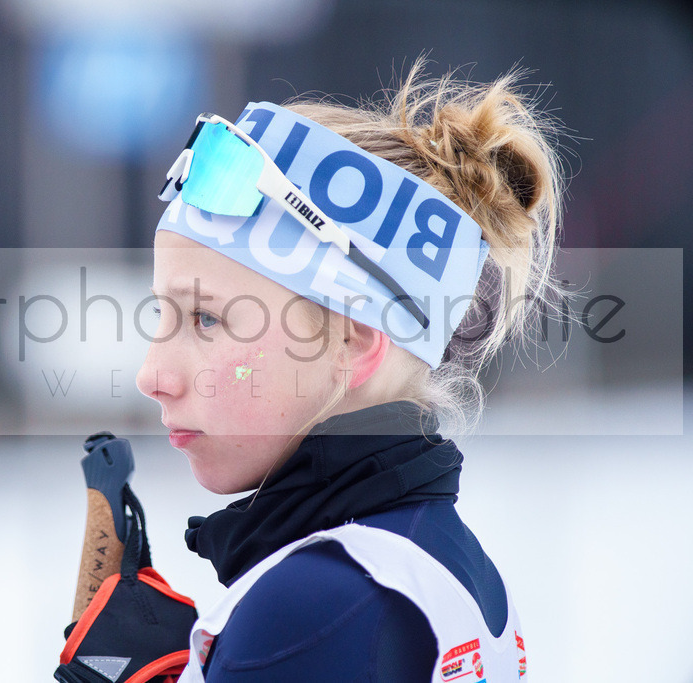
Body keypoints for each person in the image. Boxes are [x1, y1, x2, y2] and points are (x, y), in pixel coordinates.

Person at [135, 61, 562, 681]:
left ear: (352, 342)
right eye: (161, 312)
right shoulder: (445, 568)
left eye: (206, 319)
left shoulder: (313, 606)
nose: (152, 375)